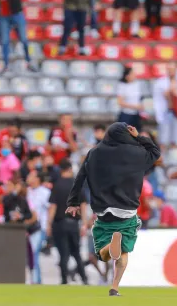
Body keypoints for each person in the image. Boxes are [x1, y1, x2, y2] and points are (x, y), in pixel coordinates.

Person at [67, 123, 160, 296]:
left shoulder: (94, 153)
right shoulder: (137, 154)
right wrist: (139, 137)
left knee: (103, 254)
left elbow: (80, 177)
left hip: (103, 213)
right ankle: (114, 286)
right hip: (127, 211)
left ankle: (110, 246)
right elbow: (155, 152)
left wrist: (73, 202)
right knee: (124, 252)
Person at [47, 159, 89, 285]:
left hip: (60, 223)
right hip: (73, 223)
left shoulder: (57, 185)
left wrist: (49, 224)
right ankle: (84, 278)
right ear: (70, 169)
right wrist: (84, 223)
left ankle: (64, 280)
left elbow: (53, 207)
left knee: (63, 253)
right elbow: (83, 205)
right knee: (76, 252)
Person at [1, 177, 42, 283]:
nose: (7, 188)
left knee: (27, 255)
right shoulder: (7, 199)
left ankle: (31, 279)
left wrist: (21, 216)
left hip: (20, 231)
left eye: (10, 185)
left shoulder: (23, 200)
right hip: (9, 231)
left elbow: (29, 214)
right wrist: (14, 193)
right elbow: (5, 205)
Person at [153, 63, 177, 149]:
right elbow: (157, 98)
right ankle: (161, 156)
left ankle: (174, 154)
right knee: (163, 137)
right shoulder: (160, 82)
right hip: (166, 111)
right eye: (169, 69)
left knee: (176, 137)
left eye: (173, 70)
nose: (171, 72)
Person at [116, 66, 143, 131]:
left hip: (136, 114)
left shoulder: (137, 85)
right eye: (132, 74)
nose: (134, 75)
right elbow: (120, 102)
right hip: (126, 115)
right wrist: (135, 106)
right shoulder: (122, 86)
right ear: (127, 76)